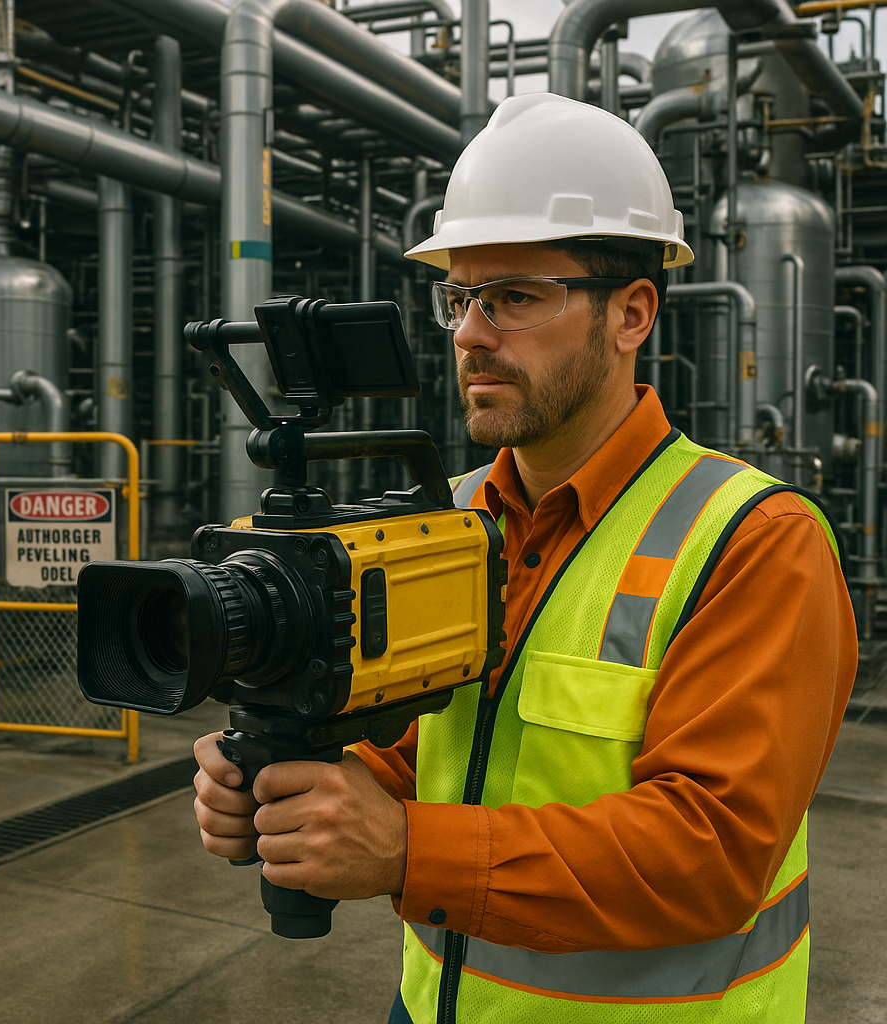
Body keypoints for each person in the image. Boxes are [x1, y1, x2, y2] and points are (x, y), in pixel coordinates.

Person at [193, 93, 856, 1023]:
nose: (470, 333)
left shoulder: (753, 539)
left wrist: (406, 851)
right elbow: (417, 747)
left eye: (514, 296)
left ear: (631, 314)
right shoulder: (453, 513)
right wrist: (292, 786)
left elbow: (710, 853)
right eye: (459, 298)